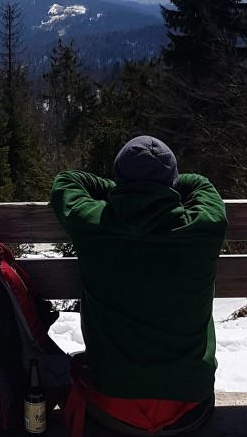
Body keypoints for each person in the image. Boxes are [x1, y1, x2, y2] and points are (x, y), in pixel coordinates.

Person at [50, 135, 227, 435]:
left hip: (111, 406)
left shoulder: (92, 224)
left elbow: (66, 182)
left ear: (120, 181)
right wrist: (161, 187)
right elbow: (200, 184)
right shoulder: (205, 225)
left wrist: (123, 192)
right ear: (170, 184)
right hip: (189, 409)